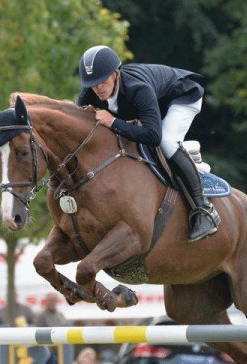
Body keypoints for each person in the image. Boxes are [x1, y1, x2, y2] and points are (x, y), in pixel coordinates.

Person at [76, 45, 220, 241]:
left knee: (167, 142)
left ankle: (205, 210)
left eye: (102, 81)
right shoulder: (90, 90)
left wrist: (113, 122)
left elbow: (154, 136)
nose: (98, 88)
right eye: (93, 83)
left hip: (181, 98)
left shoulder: (138, 89)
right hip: (154, 106)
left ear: (116, 74)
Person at [34, 293, 70, 364]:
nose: (52, 303)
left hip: (60, 351)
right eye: (50, 300)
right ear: (46, 302)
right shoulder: (41, 315)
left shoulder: (60, 315)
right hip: (47, 352)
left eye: (54, 300)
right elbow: (36, 332)